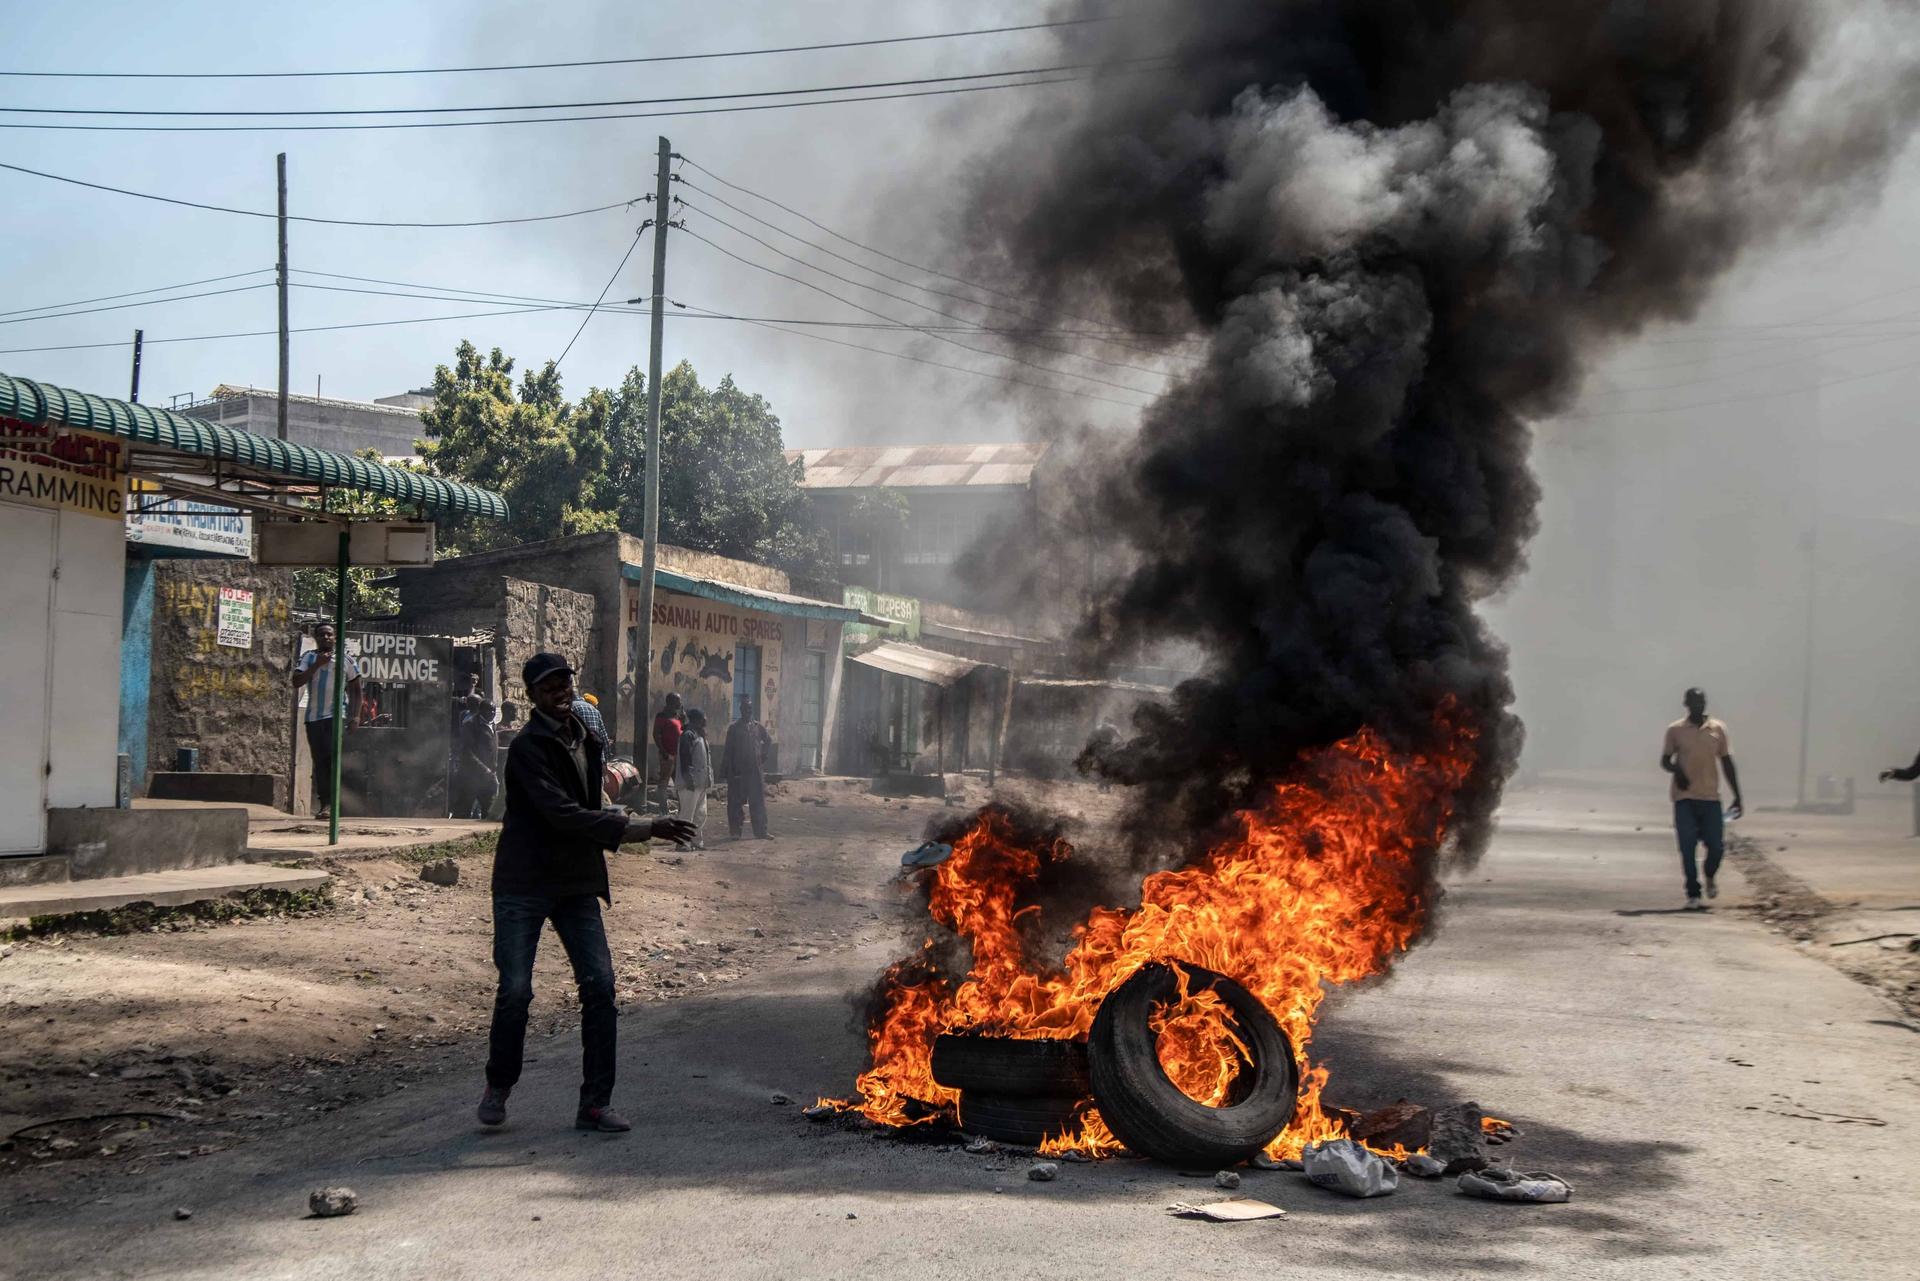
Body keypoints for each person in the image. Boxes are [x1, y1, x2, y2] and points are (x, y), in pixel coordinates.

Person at [476, 652, 694, 1132]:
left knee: (600, 987)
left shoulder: (586, 737)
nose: (561, 692)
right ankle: (499, 1084)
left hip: (575, 882)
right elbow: (562, 815)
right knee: (515, 990)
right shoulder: (528, 749)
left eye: (564, 684)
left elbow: (592, 801)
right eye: (549, 687)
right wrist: (643, 828)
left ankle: (595, 1104)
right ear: (531, 695)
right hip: (524, 881)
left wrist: (624, 817)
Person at [1660, 687, 1744, 911]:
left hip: (1710, 798)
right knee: (1687, 847)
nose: (1698, 706)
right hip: (1684, 797)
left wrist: (1737, 796)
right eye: (1694, 702)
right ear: (1686, 704)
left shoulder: (1718, 729)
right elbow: (1665, 760)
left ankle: (1709, 875)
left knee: (1716, 846)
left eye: (1702, 702)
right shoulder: (1675, 730)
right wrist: (1677, 771)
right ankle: (1693, 893)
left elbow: (1727, 763)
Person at [291, 623, 362, 818]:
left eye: (329, 634)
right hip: (313, 717)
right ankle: (325, 804)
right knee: (320, 760)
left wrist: (355, 716)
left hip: (335, 716)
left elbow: (356, 689)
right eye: (321, 634)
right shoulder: (308, 657)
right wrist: (316, 665)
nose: (326, 638)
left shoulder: (345, 660)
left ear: (335, 638)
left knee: (331, 759)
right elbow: (296, 682)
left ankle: (331, 804)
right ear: (316, 638)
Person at [721, 698, 775, 841]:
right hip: (738, 771)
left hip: (755, 771)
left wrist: (763, 756)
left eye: (750, 709)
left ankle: (761, 831)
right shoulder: (734, 728)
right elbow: (728, 751)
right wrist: (727, 771)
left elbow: (768, 740)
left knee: (758, 802)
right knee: (735, 802)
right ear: (741, 709)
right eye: (745, 708)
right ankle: (735, 832)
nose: (748, 711)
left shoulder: (758, 727)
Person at [450, 694, 499, 820]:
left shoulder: (492, 725)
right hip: (470, 778)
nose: (492, 713)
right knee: (462, 812)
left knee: (489, 812)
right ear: (481, 711)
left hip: (488, 778)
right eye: (489, 710)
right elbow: (466, 751)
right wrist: (484, 769)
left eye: (494, 711)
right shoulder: (471, 724)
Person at [675, 706, 712, 850]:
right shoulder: (688, 735)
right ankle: (682, 843)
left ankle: (696, 842)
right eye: (704, 717)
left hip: (701, 782)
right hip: (690, 784)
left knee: (700, 814)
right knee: (686, 815)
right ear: (699, 719)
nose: (706, 720)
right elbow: (685, 760)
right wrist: (689, 779)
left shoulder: (701, 735)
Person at [652, 693, 684, 814]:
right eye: (679, 700)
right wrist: (663, 752)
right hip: (668, 755)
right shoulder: (662, 714)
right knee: (663, 784)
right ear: (672, 701)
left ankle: (682, 809)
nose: (680, 703)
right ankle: (663, 810)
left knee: (680, 784)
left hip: (678, 755)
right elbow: (656, 734)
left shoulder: (677, 715)